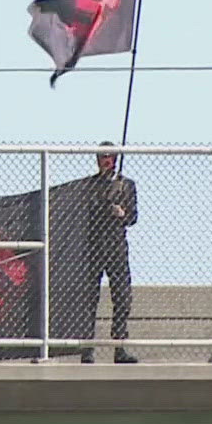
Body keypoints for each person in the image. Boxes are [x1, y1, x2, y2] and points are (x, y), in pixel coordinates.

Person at [82, 142, 139, 364]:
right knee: (89, 299)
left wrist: (121, 212)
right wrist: (103, 206)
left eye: (109, 156)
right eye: (102, 156)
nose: (105, 160)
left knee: (122, 297)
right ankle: (87, 349)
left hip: (116, 247)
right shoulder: (89, 185)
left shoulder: (126, 185)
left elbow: (133, 217)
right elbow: (85, 214)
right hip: (94, 246)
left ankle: (119, 347)